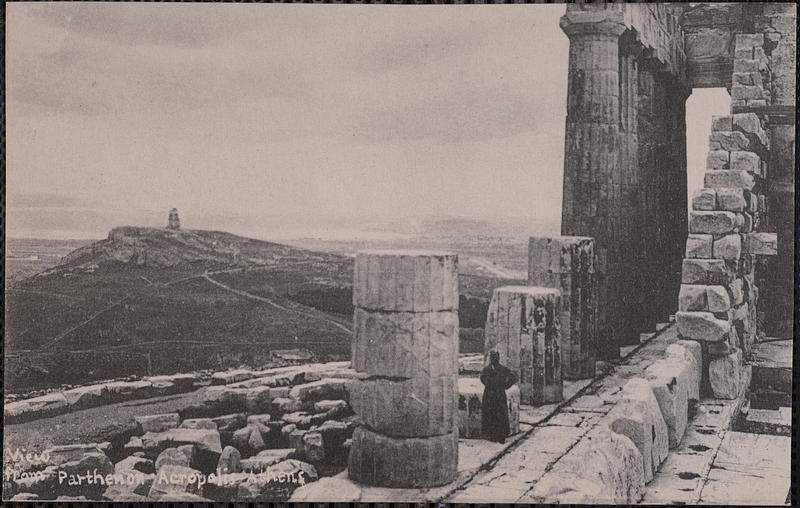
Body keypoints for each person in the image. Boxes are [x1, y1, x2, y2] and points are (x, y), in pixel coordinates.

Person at [479, 351, 518, 443]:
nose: (494, 359)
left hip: (499, 395)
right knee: (491, 415)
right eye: (492, 357)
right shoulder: (487, 369)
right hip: (489, 396)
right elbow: (482, 378)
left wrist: (506, 385)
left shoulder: (503, 369)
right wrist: (487, 384)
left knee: (500, 416)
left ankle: (501, 436)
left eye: (496, 357)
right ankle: (491, 436)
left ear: (498, 358)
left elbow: (514, 378)